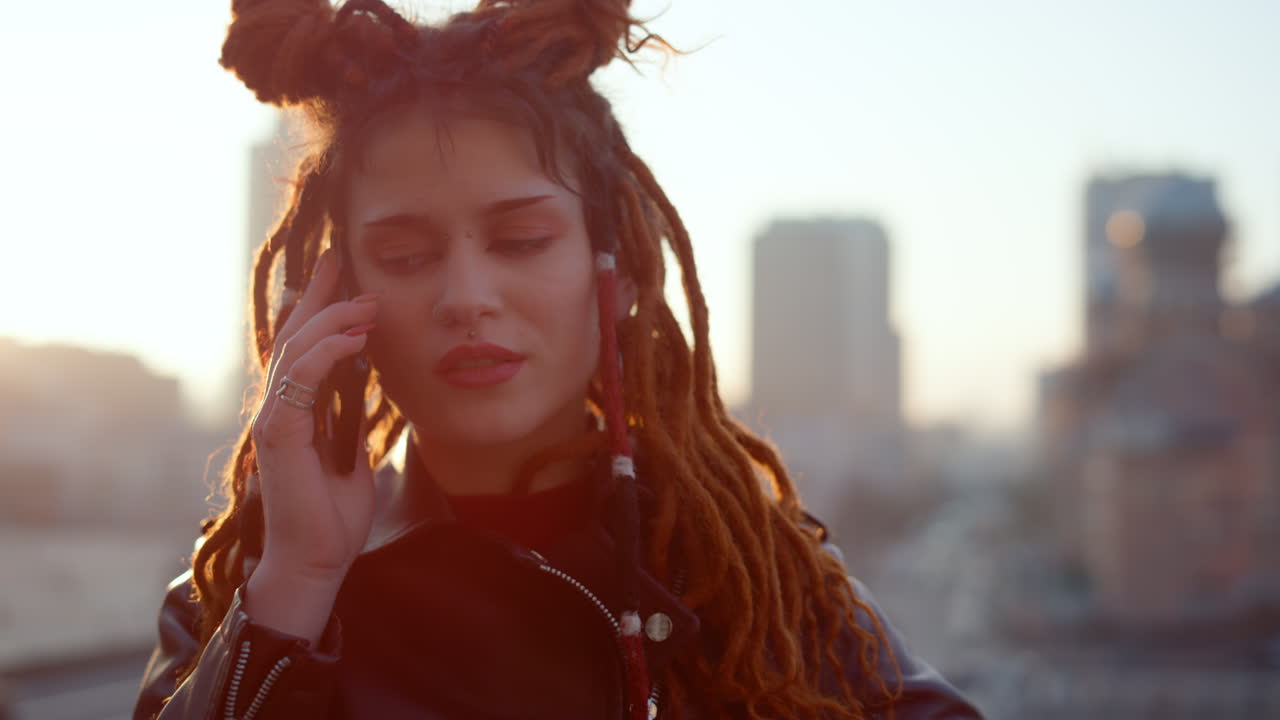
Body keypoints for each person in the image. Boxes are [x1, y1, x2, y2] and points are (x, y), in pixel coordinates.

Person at [133, 1, 983, 718]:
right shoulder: (243, 594)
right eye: (404, 255)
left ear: (616, 275)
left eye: (522, 240)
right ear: (332, 300)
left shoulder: (752, 578)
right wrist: (296, 588)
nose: (467, 295)